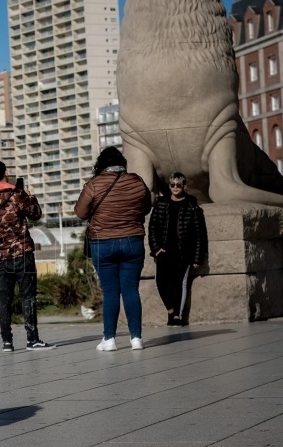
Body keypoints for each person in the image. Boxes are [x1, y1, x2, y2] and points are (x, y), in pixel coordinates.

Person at [74, 147, 152, 351]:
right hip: (132, 241)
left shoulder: (94, 184)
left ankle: (109, 339)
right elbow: (146, 207)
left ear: (102, 164)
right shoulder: (137, 181)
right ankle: (136, 338)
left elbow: (80, 213)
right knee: (131, 290)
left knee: (110, 292)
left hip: (103, 243)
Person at [0, 159, 56, 352]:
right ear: (6, 173)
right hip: (22, 252)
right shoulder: (17, 194)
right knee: (27, 296)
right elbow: (36, 214)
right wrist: (29, 195)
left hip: (0, 255)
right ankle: (32, 339)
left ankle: (7, 341)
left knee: (4, 299)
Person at [148, 172, 208, 327]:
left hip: (184, 253)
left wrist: (197, 257)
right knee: (161, 282)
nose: (175, 187)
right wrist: (156, 249)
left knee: (181, 283)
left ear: (184, 186)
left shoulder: (192, 207)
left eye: (179, 185)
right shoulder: (161, 204)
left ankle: (177, 316)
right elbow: (152, 228)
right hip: (164, 252)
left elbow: (200, 234)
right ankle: (170, 310)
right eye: (172, 184)